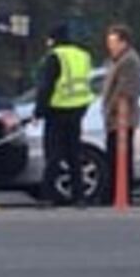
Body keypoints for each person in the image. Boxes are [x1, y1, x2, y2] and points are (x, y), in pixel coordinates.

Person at [32, 24, 96, 208]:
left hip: (57, 111)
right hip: (77, 110)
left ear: (54, 39)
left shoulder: (55, 56)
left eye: (49, 39)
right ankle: (79, 197)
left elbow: (46, 87)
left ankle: (47, 196)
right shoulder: (83, 55)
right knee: (74, 154)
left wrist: (38, 112)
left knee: (53, 155)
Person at [100, 24, 140, 200]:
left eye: (113, 41)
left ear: (124, 42)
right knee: (113, 157)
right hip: (114, 118)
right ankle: (115, 192)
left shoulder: (129, 61)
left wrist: (111, 109)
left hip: (122, 118)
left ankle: (122, 193)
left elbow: (125, 89)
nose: (110, 45)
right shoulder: (117, 60)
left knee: (121, 158)